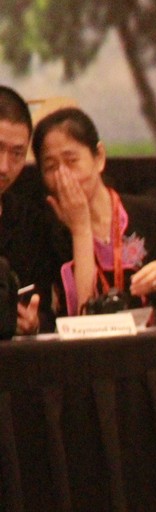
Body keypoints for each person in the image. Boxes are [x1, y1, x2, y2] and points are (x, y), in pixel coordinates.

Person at [33, 107, 156, 323]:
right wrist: (81, 229)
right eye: (51, 166)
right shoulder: (45, 230)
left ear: (99, 157)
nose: (63, 176)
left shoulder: (151, 213)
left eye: (71, 161)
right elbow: (82, 316)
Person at [0, 86, 57, 336]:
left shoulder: (30, 223)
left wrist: (33, 323)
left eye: (17, 153)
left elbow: (46, 312)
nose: (4, 167)